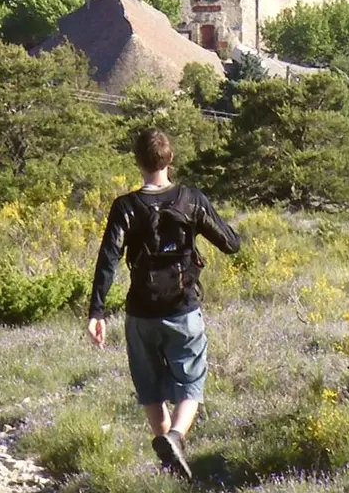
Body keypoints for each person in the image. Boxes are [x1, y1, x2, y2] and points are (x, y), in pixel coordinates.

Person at [86, 127, 240, 480]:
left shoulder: (125, 207)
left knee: (150, 387)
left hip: (141, 313)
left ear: (137, 162)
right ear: (170, 159)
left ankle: (168, 462)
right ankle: (176, 437)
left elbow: (108, 259)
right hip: (183, 308)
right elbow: (231, 244)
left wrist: (97, 311)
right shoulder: (192, 199)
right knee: (192, 380)